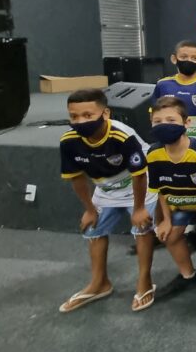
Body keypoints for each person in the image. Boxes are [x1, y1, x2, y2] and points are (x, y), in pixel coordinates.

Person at [57, 88, 157, 313]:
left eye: (87, 115)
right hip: (105, 188)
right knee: (93, 229)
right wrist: (90, 209)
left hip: (138, 184)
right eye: (74, 116)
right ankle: (99, 283)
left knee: (142, 228)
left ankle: (145, 281)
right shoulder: (69, 141)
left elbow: (139, 174)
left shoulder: (122, 136)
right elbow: (76, 178)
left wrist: (139, 209)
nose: (80, 121)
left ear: (105, 113)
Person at [146, 96, 196, 299]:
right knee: (170, 236)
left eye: (171, 120)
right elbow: (160, 190)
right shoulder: (153, 154)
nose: (164, 125)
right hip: (181, 206)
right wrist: (165, 219)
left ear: (186, 122)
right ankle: (189, 276)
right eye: (157, 121)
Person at [152, 40, 196, 142]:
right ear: (174, 59)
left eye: (194, 58)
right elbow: (154, 115)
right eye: (184, 57)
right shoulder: (162, 84)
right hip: (169, 141)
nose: (189, 61)